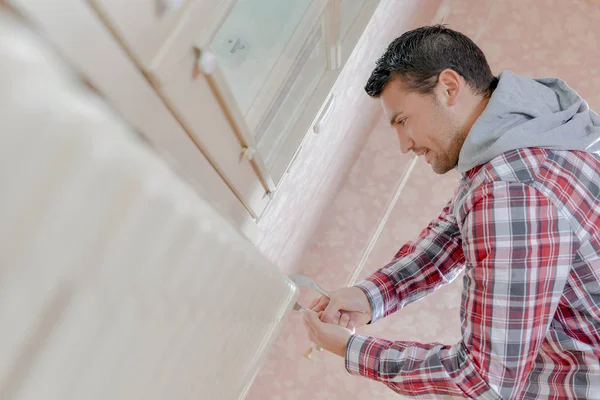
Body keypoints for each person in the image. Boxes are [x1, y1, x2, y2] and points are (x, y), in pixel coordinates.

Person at [302, 25, 600, 399]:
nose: (404, 144)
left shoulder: (511, 191)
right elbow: (450, 235)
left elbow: (482, 377)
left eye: (403, 121)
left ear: (448, 87)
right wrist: (371, 296)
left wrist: (352, 350)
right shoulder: (539, 138)